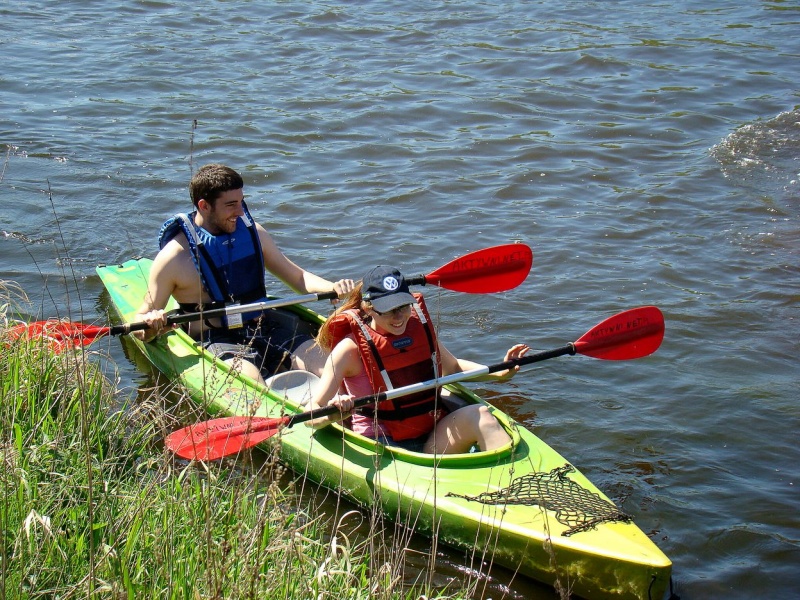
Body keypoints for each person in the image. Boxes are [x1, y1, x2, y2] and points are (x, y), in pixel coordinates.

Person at [133, 163, 355, 382]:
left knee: (333, 369)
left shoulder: (253, 234)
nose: (240, 212)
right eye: (231, 205)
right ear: (204, 205)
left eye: (241, 202)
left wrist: (333, 288)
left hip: (263, 324)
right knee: (253, 384)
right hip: (214, 338)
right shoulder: (174, 258)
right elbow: (140, 327)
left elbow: (299, 278)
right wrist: (151, 324)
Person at [306, 265, 530, 454]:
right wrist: (333, 413)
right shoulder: (349, 350)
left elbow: (452, 367)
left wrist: (500, 372)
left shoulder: (418, 331)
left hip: (432, 433)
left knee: (479, 414)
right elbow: (311, 413)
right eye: (389, 310)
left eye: (403, 306)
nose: (399, 317)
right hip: (382, 447)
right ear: (368, 307)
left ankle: (517, 488)